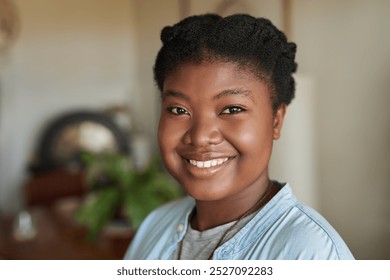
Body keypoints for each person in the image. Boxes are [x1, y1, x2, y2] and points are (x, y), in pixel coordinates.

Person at [124, 13, 354, 260]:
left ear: (276, 120)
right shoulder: (156, 225)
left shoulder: (311, 253)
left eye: (232, 109)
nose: (200, 136)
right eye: (179, 110)